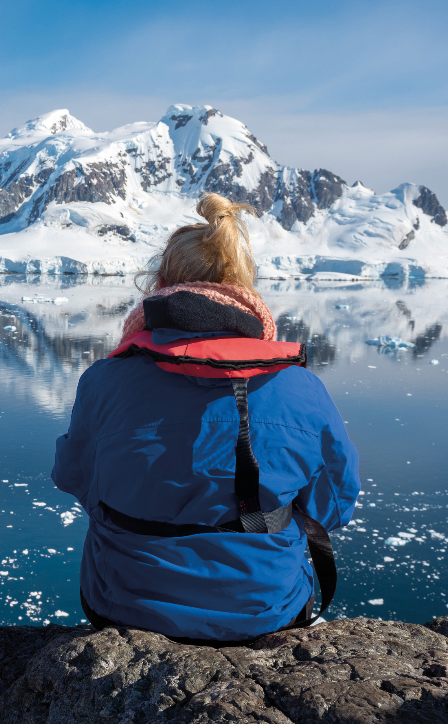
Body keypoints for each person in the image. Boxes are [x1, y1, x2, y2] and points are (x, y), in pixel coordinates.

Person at [52, 193, 359, 644]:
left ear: (159, 284)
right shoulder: (299, 387)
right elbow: (334, 506)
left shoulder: (104, 380)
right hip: (267, 608)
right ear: (244, 286)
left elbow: (73, 477)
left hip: (125, 605)